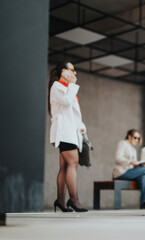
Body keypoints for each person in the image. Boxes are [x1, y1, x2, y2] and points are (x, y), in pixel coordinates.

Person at [49, 62, 88, 212]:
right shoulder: (57, 86)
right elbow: (65, 102)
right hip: (64, 131)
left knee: (65, 166)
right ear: (64, 72)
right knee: (73, 163)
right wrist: (72, 85)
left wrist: (81, 125)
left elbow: (72, 112)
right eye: (72, 70)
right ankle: (74, 200)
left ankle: (60, 201)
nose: (75, 73)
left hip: (70, 131)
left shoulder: (65, 88)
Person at [113, 129, 145, 209]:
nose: (137, 140)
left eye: (138, 138)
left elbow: (133, 164)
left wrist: (140, 164)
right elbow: (118, 158)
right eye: (135, 137)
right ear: (129, 136)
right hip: (122, 172)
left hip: (130, 172)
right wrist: (130, 162)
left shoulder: (133, 149)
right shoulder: (123, 143)